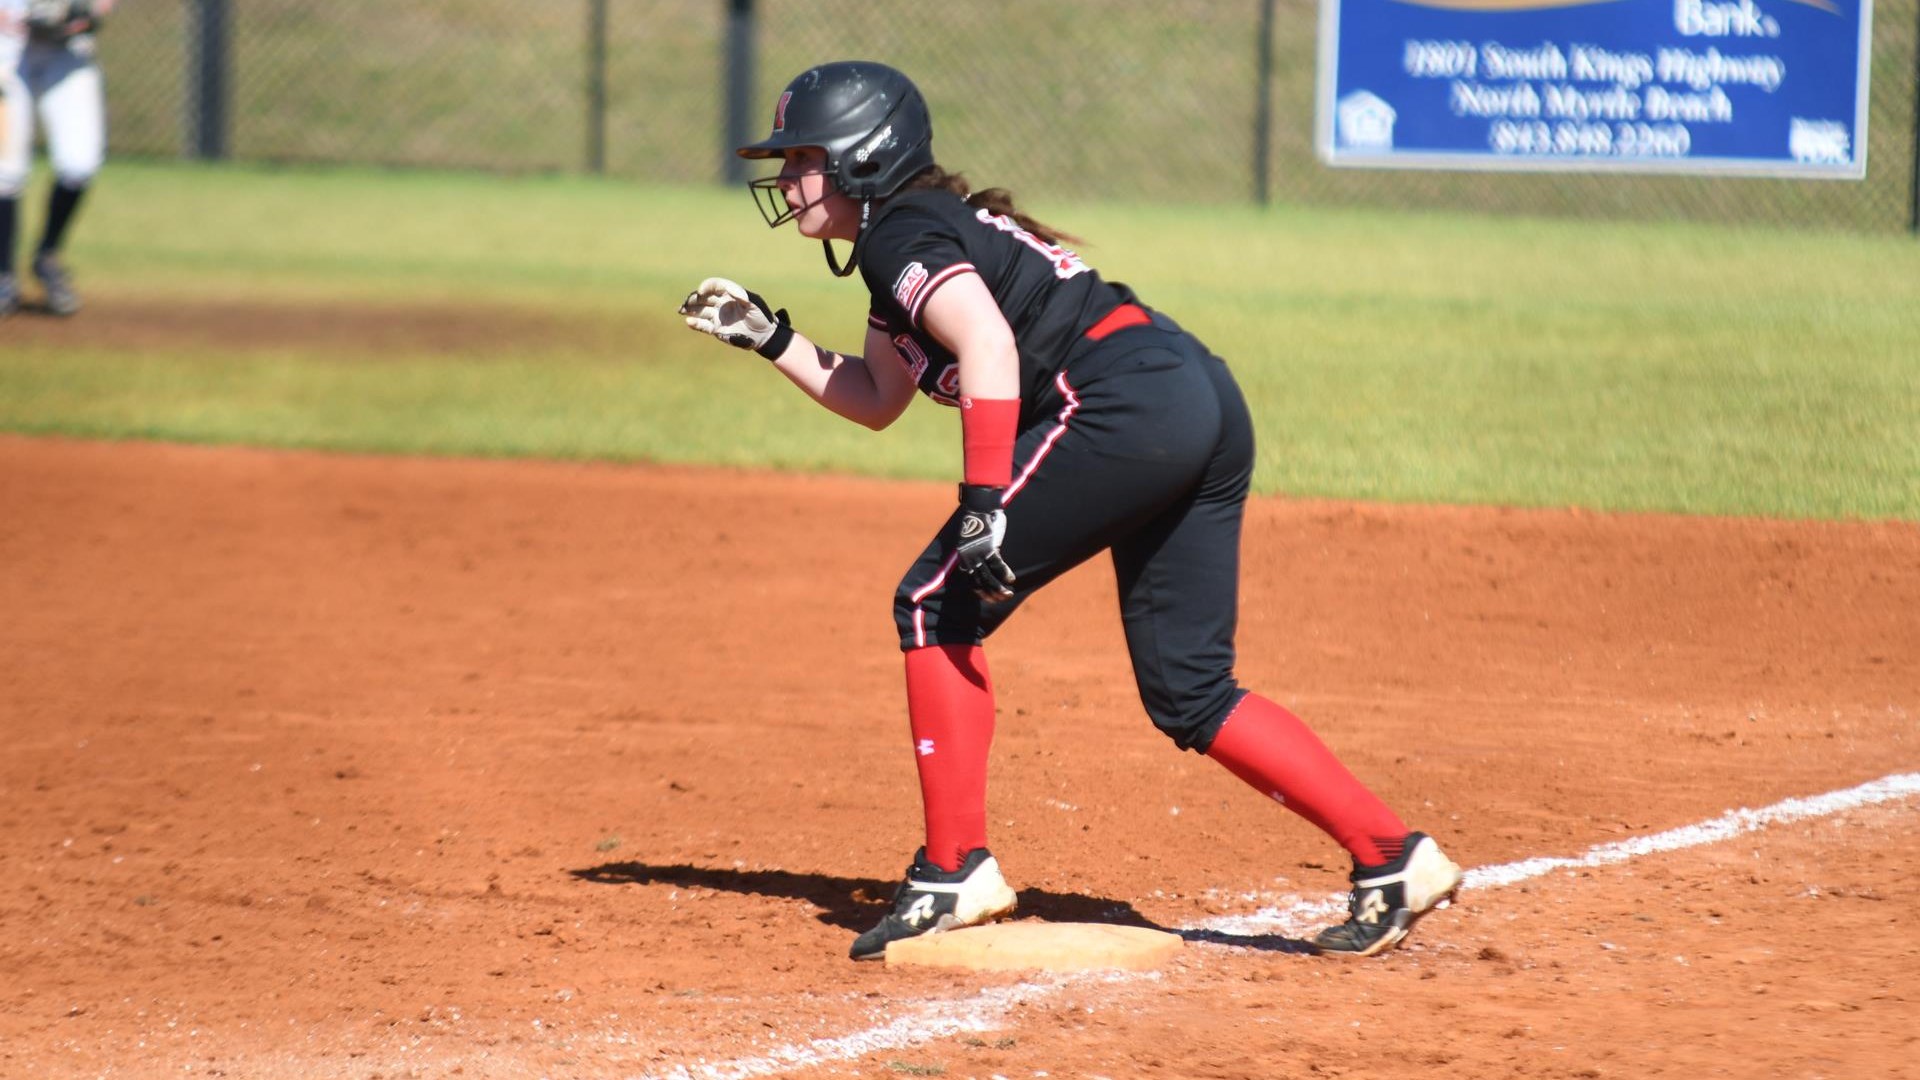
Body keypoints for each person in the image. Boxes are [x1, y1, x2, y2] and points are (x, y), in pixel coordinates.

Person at [678, 61, 1464, 962]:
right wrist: (772, 338)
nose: (786, 180)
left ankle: (954, 870)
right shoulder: (916, 236)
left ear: (864, 157)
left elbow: (987, 343)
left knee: (933, 603)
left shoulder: (902, 234)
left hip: (1120, 404)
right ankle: (1393, 857)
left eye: (802, 158)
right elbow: (878, 397)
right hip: (1189, 392)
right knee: (1190, 690)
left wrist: (983, 501)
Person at [0, 0, 112, 318]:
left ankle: (47, 255)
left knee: (80, 163)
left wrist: (91, 12)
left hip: (66, 54)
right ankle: (3, 273)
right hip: (6, 48)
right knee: (5, 172)